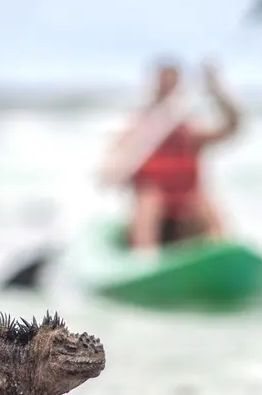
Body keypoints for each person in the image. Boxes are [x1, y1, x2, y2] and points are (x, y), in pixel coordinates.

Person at [99, 58, 242, 252]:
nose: (166, 87)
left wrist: (217, 91)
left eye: (172, 82)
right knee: (150, 199)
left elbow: (231, 128)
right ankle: (145, 260)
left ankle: (222, 251)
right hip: (152, 214)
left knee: (202, 202)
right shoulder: (138, 129)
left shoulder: (189, 134)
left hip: (186, 213)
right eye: (162, 81)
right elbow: (110, 172)